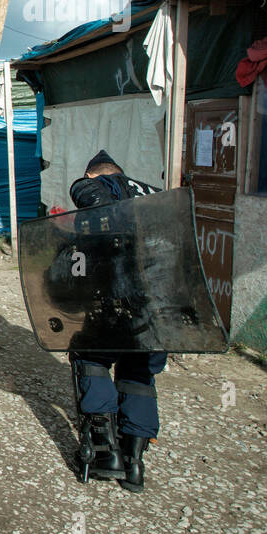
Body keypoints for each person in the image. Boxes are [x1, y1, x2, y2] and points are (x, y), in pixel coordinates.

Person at [66, 150, 164, 492]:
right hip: (155, 311)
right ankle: (135, 463)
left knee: (91, 359)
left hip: (115, 302)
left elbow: (87, 196)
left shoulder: (100, 187)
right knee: (138, 375)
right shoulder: (155, 195)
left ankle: (105, 456)